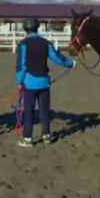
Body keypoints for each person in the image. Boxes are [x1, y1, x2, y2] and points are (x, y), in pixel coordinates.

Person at [16, 17, 74, 147]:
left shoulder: (23, 44)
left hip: (29, 84)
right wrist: (70, 63)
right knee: (45, 111)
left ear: (26, 29)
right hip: (44, 83)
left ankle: (27, 139)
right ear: (37, 27)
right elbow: (57, 57)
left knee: (29, 111)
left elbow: (22, 66)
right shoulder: (46, 43)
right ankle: (46, 135)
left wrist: (19, 81)